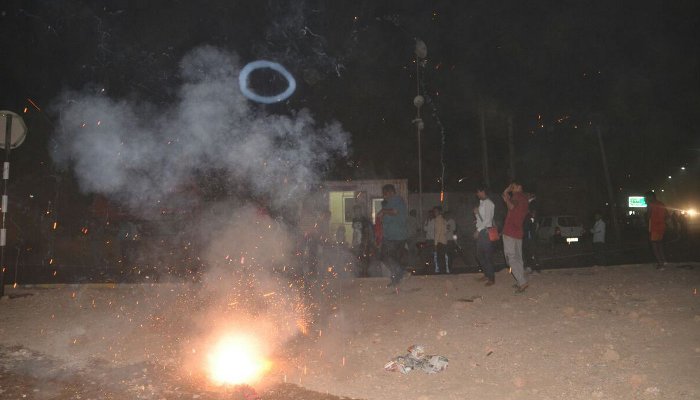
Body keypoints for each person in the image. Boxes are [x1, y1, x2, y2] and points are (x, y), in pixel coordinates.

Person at [501, 181, 533, 293]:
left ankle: (522, 282)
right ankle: (521, 281)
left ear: (520, 187)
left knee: (511, 259)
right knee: (518, 258)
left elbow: (511, 206)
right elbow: (506, 199)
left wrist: (507, 191)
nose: (512, 188)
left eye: (514, 186)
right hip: (518, 232)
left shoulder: (516, 196)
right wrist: (507, 193)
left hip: (510, 231)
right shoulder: (525, 198)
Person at [378, 184, 408, 286]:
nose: (383, 196)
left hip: (396, 236)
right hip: (392, 236)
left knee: (384, 256)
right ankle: (396, 280)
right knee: (394, 259)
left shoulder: (397, 200)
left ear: (391, 192)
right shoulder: (390, 203)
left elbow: (395, 212)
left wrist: (383, 211)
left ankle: (401, 272)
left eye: (385, 194)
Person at [474, 184, 496, 286]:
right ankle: (487, 274)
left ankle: (491, 278)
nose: (477, 194)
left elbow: (488, 220)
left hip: (485, 232)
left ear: (482, 191)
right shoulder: (482, 203)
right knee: (479, 255)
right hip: (482, 230)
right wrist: (476, 214)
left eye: (478, 192)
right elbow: (482, 218)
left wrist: (478, 230)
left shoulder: (488, 203)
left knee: (487, 255)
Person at [645, 191, 667, 268]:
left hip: (654, 227)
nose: (645, 199)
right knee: (659, 244)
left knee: (654, 245)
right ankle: (664, 260)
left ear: (650, 197)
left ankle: (660, 263)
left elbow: (648, 216)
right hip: (662, 226)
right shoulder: (661, 204)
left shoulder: (650, 204)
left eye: (646, 198)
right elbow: (666, 214)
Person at [351, 205, 373, 277]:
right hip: (356, 242)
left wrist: (365, 243)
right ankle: (359, 274)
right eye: (356, 211)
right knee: (356, 258)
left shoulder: (365, 221)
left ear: (360, 211)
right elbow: (354, 232)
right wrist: (353, 241)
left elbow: (367, 232)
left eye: (358, 211)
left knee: (364, 258)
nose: (357, 212)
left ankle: (365, 274)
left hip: (364, 242)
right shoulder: (354, 220)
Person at [433, 206, 449, 274]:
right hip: (444, 240)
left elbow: (438, 232)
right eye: (434, 211)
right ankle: (444, 271)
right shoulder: (443, 220)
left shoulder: (438, 219)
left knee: (440, 258)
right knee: (443, 257)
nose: (434, 213)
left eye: (435, 211)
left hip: (439, 241)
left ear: (439, 212)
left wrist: (435, 243)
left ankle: (441, 272)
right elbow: (446, 230)